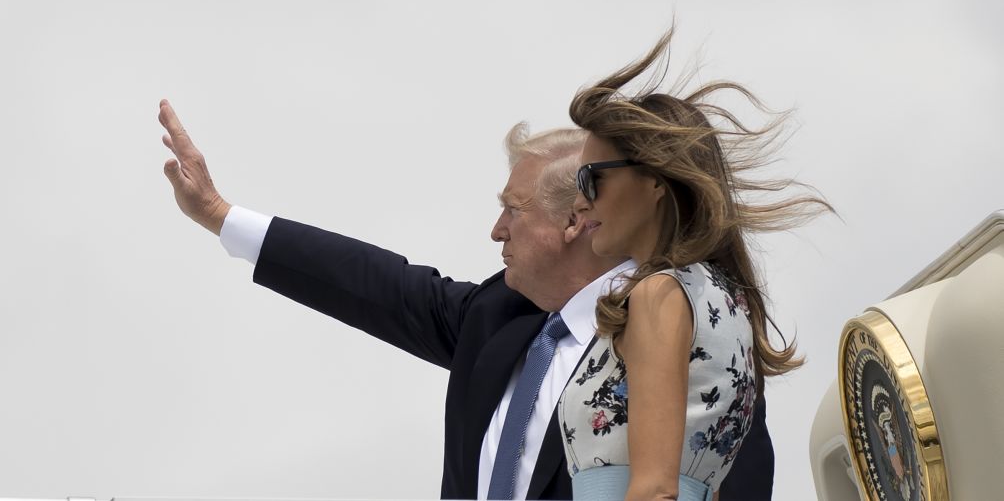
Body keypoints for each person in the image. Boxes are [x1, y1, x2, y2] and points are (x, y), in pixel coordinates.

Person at [158, 97, 775, 499]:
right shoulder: (495, 320)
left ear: (574, 219)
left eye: (512, 209)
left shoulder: (691, 325)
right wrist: (220, 215)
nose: (496, 231)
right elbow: (372, 282)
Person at [556, 30, 832, 500]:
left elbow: (655, 489)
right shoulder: (727, 302)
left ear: (655, 179)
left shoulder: (658, 295)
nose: (580, 201)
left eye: (591, 178)